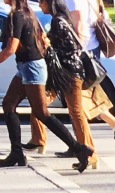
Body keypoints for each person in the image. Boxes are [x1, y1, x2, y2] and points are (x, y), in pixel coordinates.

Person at [0, 0, 93, 170]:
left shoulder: (17, 15)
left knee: (41, 112)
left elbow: (11, 49)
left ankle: (79, 148)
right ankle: (17, 153)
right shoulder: (26, 12)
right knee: (8, 104)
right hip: (26, 66)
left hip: (32, 67)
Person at [43, 0, 115, 157]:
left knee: (77, 103)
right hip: (90, 49)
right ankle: (111, 127)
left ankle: (84, 147)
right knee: (84, 99)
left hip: (81, 51)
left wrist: (76, 52)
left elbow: (79, 23)